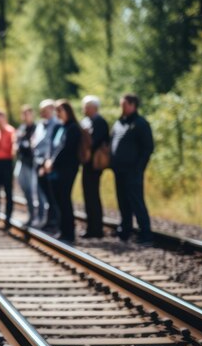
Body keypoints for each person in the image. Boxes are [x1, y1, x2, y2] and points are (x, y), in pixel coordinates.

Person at [111, 93, 154, 245]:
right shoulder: (119, 123)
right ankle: (125, 230)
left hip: (133, 171)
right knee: (122, 202)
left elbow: (148, 148)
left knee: (136, 202)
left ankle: (146, 234)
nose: (121, 108)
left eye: (124, 105)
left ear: (133, 105)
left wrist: (138, 168)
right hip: (119, 170)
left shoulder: (140, 123)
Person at [45, 100, 81, 243]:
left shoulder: (73, 128)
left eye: (60, 111)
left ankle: (69, 233)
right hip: (55, 169)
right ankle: (62, 230)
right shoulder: (59, 127)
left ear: (67, 111)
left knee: (64, 199)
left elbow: (65, 148)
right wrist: (48, 160)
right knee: (58, 200)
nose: (57, 114)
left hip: (67, 169)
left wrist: (52, 162)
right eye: (56, 111)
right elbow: (52, 146)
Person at [80, 95, 109, 238]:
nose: (83, 109)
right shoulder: (86, 121)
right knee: (87, 195)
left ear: (94, 107)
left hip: (95, 165)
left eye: (86, 106)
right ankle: (91, 227)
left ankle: (97, 229)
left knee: (93, 196)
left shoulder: (99, 122)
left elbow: (95, 142)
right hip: (86, 164)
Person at [33, 99, 61, 230]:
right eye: (41, 111)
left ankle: (54, 221)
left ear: (51, 109)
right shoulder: (40, 125)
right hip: (38, 162)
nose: (42, 113)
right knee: (44, 193)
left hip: (48, 164)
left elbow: (52, 145)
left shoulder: (56, 124)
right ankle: (49, 220)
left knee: (52, 194)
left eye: (45, 110)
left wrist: (46, 163)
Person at [15, 105, 38, 226]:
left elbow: (32, 145)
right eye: (23, 114)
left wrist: (24, 144)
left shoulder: (36, 127)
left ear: (31, 114)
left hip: (31, 163)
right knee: (25, 190)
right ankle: (31, 214)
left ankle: (37, 216)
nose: (25, 116)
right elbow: (18, 144)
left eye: (27, 113)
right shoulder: (22, 128)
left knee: (33, 191)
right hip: (22, 162)